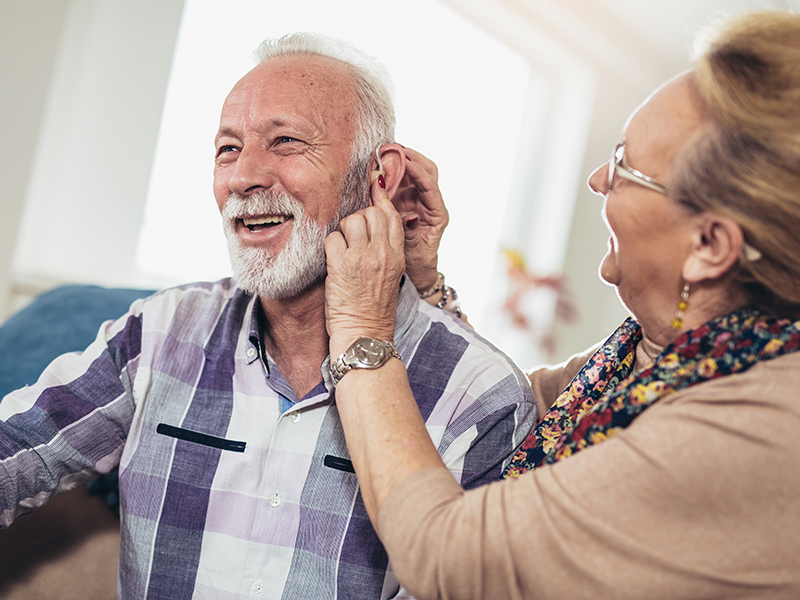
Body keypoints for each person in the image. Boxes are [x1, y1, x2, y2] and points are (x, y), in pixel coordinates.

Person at [0, 33, 536, 599]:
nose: (242, 177)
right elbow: (15, 452)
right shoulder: (160, 331)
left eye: (286, 141)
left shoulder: (483, 397)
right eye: (227, 149)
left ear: (379, 178)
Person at [324, 10, 800, 599]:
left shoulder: (755, 430)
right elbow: (502, 410)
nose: (600, 178)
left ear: (708, 246)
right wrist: (425, 286)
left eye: (627, 166)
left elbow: (452, 556)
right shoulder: (644, 362)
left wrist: (360, 332)